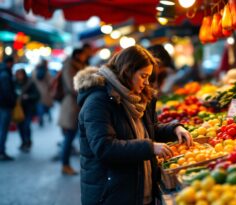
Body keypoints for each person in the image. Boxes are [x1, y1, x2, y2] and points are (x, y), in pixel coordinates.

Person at [74, 45, 192, 205]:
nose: (146, 82)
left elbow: (149, 130)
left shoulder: (138, 97)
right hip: (112, 196)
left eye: (148, 77)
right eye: (143, 76)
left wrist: (174, 128)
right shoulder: (98, 102)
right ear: (128, 71)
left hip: (140, 190)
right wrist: (150, 148)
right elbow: (104, 148)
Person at [58, 48, 88, 175]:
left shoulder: (78, 65)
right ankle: (65, 165)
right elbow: (72, 86)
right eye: (83, 55)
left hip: (76, 105)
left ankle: (66, 165)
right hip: (71, 106)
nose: (85, 57)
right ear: (77, 55)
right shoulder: (69, 66)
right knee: (69, 136)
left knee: (71, 136)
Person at [14, 69, 40, 152]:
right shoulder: (14, 83)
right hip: (18, 109)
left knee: (26, 126)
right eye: (18, 75)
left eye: (21, 74)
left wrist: (28, 96)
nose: (19, 76)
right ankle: (23, 142)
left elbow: (37, 95)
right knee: (20, 126)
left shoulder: (30, 83)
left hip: (28, 108)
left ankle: (28, 142)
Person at [0, 57, 16, 161]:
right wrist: (12, 101)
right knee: (3, 130)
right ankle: (1, 151)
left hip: (3, 105)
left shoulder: (3, 72)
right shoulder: (5, 74)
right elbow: (7, 92)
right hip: (4, 105)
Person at [32, 59, 53, 127]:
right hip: (45, 92)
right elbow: (50, 82)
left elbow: (32, 81)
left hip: (36, 92)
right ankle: (49, 116)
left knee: (39, 106)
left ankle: (40, 119)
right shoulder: (46, 72)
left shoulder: (34, 72)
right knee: (47, 105)